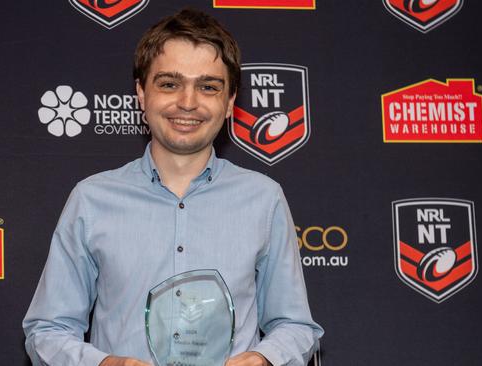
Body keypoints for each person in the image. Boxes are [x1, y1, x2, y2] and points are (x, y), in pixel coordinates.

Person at [23, 8, 323, 366]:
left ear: (229, 103)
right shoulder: (91, 199)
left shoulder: (264, 198)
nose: (188, 102)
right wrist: (104, 364)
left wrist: (264, 358)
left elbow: (296, 327)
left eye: (208, 87)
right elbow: (47, 330)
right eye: (169, 83)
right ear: (141, 93)